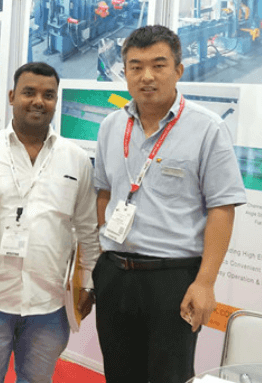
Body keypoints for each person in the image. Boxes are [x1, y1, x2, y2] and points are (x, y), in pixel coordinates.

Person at [93, 25, 246, 383]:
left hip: (173, 279)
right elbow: (104, 193)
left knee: (170, 376)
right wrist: (99, 260)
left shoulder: (207, 128)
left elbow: (221, 209)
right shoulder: (111, 126)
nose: (146, 76)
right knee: (119, 373)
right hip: (115, 274)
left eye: (158, 65)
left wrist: (205, 283)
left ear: (178, 70)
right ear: (125, 72)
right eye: (135, 67)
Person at [0, 62, 100, 383]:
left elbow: (88, 229)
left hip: (49, 304)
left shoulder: (76, 159)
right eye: (29, 92)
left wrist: (89, 284)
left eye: (48, 95)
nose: (39, 101)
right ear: (12, 96)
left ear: (56, 101)